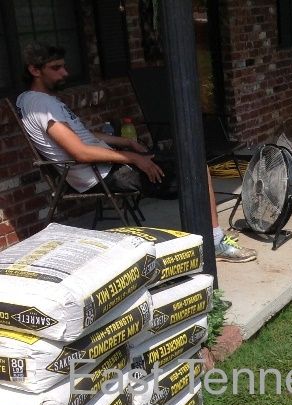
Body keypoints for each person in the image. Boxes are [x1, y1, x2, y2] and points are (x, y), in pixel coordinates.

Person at [17, 42, 256, 264]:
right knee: (196, 166)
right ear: (34, 70)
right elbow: (80, 152)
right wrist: (133, 158)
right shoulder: (41, 105)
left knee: (187, 158)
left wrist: (126, 143)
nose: (65, 73)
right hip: (103, 175)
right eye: (56, 68)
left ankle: (211, 236)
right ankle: (214, 242)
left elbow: (83, 136)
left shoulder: (39, 101)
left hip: (108, 166)